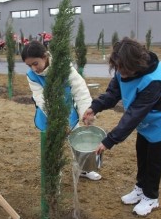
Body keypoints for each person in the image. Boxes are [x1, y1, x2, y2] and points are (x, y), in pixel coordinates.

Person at [82, 37, 161, 216]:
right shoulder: (123, 68)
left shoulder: (154, 80)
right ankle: (140, 188)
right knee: (142, 150)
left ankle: (151, 197)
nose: (121, 73)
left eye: (124, 69)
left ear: (136, 64)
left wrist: (109, 140)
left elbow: (134, 114)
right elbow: (113, 94)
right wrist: (95, 107)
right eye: (118, 68)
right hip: (147, 114)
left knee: (155, 158)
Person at [21, 40, 102, 181]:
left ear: (45, 56)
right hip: (48, 117)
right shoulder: (32, 76)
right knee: (53, 149)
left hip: (68, 113)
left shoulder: (64, 67)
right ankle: (54, 177)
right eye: (29, 65)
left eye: (35, 63)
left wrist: (87, 111)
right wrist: (57, 121)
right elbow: (41, 99)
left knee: (77, 141)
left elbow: (79, 90)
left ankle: (84, 169)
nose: (33, 69)